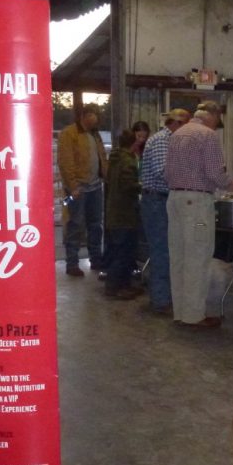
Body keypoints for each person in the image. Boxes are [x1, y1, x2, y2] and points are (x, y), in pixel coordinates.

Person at [165, 101, 233, 328]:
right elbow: (214, 173)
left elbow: (167, 171)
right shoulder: (207, 136)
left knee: (178, 257)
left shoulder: (177, 134)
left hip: (174, 199)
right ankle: (194, 316)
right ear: (213, 116)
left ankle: (180, 312)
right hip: (196, 202)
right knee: (197, 258)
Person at [140, 108, 191, 314]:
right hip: (157, 202)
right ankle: (161, 301)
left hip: (161, 201)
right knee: (162, 251)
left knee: (167, 251)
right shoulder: (163, 141)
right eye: (187, 125)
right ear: (176, 123)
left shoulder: (172, 141)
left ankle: (165, 297)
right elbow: (164, 173)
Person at [57, 105, 108, 277]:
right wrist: (72, 187)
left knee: (96, 225)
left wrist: (104, 176)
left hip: (95, 187)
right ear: (85, 115)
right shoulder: (68, 133)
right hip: (76, 189)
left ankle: (96, 260)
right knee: (74, 224)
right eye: (95, 115)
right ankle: (72, 263)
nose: (97, 119)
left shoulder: (95, 134)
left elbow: (102, 157)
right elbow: (65, 162)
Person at [104, 129, 142, 299]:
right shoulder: (128, 161)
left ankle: (120, 285)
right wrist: (143, 185)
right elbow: (128, 185)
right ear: (133, 143)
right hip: (124, 212)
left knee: (118, 250)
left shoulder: (114, 158)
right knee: (124, 252)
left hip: (114, 211)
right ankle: (116, 287)